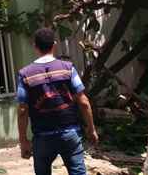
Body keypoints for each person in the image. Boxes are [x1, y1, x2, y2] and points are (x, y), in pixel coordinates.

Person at [16, 27, 99, 175]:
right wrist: (91, 129)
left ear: (35, 46)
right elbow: (83, 101)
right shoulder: (67, 68)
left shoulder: (25, 74)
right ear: (54, 45)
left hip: (42, 136)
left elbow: (22, 109)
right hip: (70, 133)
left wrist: (23, 141)